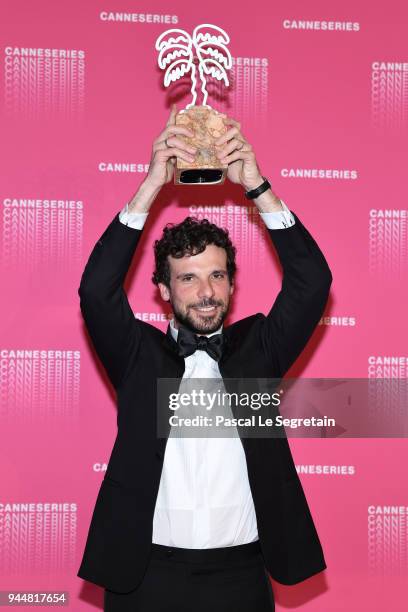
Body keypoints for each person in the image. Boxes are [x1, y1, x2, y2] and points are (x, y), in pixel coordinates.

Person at [77, 105, 332, 612]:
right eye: (188, 278)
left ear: (233, 285)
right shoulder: (136, 355)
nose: (205, 292)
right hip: (144, 576)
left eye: (216, 276)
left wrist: (257, 187)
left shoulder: (258, 349)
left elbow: (312, 283)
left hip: (240, 577)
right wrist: (152, 185)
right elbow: (96, 292)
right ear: (164, 292)